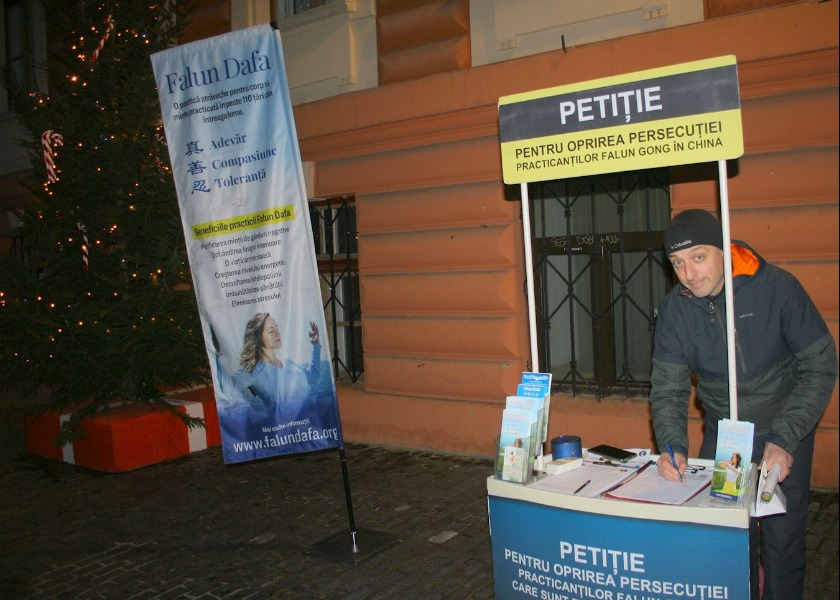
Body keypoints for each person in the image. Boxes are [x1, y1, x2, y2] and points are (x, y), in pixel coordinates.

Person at [649, 209, 837, 600]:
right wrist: (673, 446)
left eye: (699, 257)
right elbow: (668, 388)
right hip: (724, 436)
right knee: (720, 538)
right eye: (678, 263)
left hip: (784, 429)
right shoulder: (674, 310)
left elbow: (820, 366)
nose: (689, 273)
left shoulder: (777, 289)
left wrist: (786, 438)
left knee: (782, 544)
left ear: (724, 249)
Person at [232, 312, 322, 418]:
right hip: (282, 430)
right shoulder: (253, 369)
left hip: (308, 426)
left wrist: (316, 344)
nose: (277, 334)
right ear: (257, 338)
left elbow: (313, 378)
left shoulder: (288, 363)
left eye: (277, 328)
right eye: (271, 331)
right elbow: (226, 389)